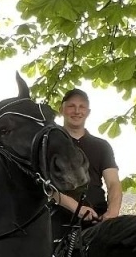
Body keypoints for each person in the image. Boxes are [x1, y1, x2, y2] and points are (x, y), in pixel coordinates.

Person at [50, 88, 122, 241]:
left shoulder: (102, 146)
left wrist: (112, 213)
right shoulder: (49, 143)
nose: (77, 111)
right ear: (61, 109)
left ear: (88, 112)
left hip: (98, 218)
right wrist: (78, 209)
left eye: (82, 107)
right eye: (71, 106)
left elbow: (113, 183)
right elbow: (48, 187)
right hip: (59, 219)